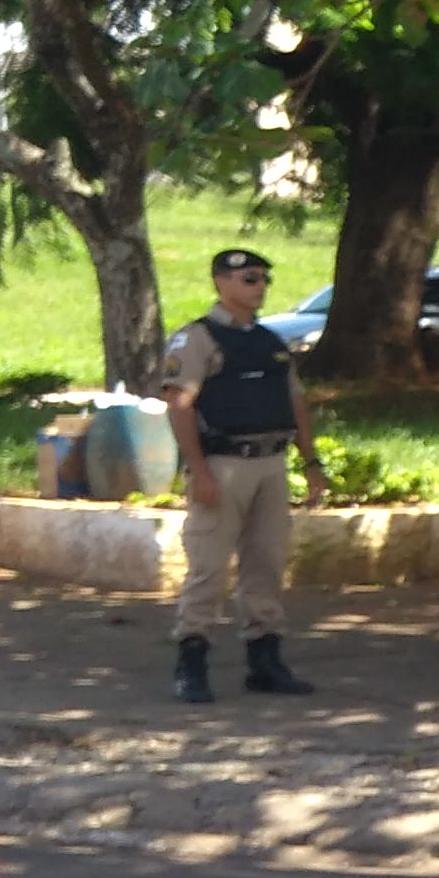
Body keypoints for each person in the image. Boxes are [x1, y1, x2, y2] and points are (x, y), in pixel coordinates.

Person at [155, 246, 332, 704]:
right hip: (224, 464)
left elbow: (295, 403)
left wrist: (311, 463)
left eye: (262, 279)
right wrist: (198, 471)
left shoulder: (270, 342)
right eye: (249, 278)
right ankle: (191, 660)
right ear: (222, 282)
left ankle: (265, 659)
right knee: (209, 567)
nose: (258, 287)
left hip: (271, 463)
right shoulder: (198, 338)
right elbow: (180, 405)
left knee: (267, 564)